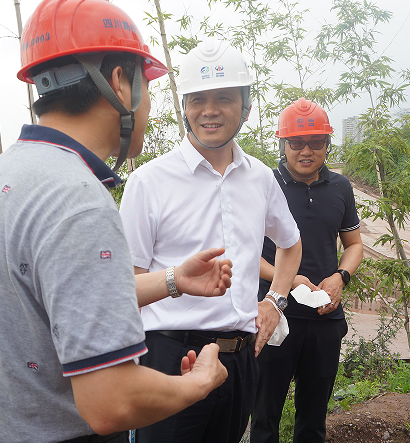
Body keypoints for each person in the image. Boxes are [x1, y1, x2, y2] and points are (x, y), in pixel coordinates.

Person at [0, 0, 234, 443]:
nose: (148, 107)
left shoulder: (5, 173)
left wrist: (174, 279)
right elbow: (111, 401)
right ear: (120, 83)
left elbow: (62, 300)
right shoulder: (77, 198)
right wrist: (197, 382)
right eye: (148, 89)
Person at [119, 38, 302, 443]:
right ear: (184, 108)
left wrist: (275, 301)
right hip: (169, 356)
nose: (210, 110)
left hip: (241, 359)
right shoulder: (147, 182)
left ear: (246, 107)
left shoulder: (260, 178)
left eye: (224, 97)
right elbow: (120, 289)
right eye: (197, 99)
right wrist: (174, 279)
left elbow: (290, 244)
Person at [251, 98, 364, 443]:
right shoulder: (263, 185)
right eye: (296, 142)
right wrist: (286, 279)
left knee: (314, 419)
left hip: (325, 316)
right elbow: (246, 254)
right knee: (264, 416)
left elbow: (354, 245)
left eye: (316, 142)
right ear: (283, 144)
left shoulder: (341, 187)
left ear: (328, 145)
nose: (306, 150)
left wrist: (340, 277)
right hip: (275, 314)